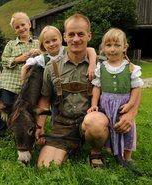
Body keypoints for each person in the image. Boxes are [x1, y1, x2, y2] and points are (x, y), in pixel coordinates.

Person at [35, 13, 142, 168]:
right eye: (71, 34)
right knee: (46, 166)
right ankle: (69, 145)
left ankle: (95, 150)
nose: (76, 39)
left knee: (94, 122)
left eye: (81, 34)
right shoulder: (52, 68)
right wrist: (40, 126)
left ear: (89, 36)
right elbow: (44, 100)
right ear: (65, 37)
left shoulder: (105, 65)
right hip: (64, 123)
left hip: (93, 119)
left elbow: (135, 87)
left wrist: (131, 114)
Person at [88, 28, 144, 161]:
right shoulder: (101, 67)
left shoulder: (130, 68)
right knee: (109, 127)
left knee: (126, 128)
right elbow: (96, 87)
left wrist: (130, 104)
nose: (112, 49)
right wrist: (94, 104)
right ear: (103, 47)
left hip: (123, 104)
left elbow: (136, 88)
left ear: (124, 47)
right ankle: (109, 151)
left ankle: (127, 156)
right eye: (108, 45)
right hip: (106, 104)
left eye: (117, 45)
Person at [21, 25, 96, 82]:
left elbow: (90, 50)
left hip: (72, 81)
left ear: (61, 39)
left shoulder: (67, 50)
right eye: (47, 42)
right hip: (54, 88)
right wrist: (23, 83)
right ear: (43, 44)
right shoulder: (43, 58)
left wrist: (92, 65)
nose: (51, 44)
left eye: (54, 40)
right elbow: (25, 67)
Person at [0, 12, 40, 111]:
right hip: (10, 85)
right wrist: (19, 59)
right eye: (17, 27)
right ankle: (8, 125)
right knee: (8, 109)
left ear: (29, 25)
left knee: (27, 110)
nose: (21, 28)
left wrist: (39, 52)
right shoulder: (11, 44)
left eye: (23, 25)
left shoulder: (37, 43)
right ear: (15, 31)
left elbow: (47, 56)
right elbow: (4, 60)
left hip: (29, 84)